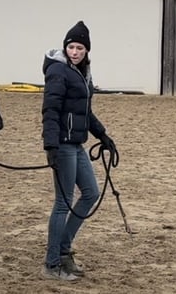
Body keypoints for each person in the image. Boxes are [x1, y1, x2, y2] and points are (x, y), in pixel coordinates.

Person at [40, 20, 117, 281]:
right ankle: (52, 264)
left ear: (86, 51)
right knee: (63, 203)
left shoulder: (82, 73)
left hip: (77, 143)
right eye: (71, 47)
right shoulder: (58, 72)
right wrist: (50, 144)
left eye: (80, 48)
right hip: (61, 144)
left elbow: (84, 111)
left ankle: (63, 250)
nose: (75, 51)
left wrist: (102, 134)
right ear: (66, 48)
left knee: (91, 193)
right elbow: (50, 110)